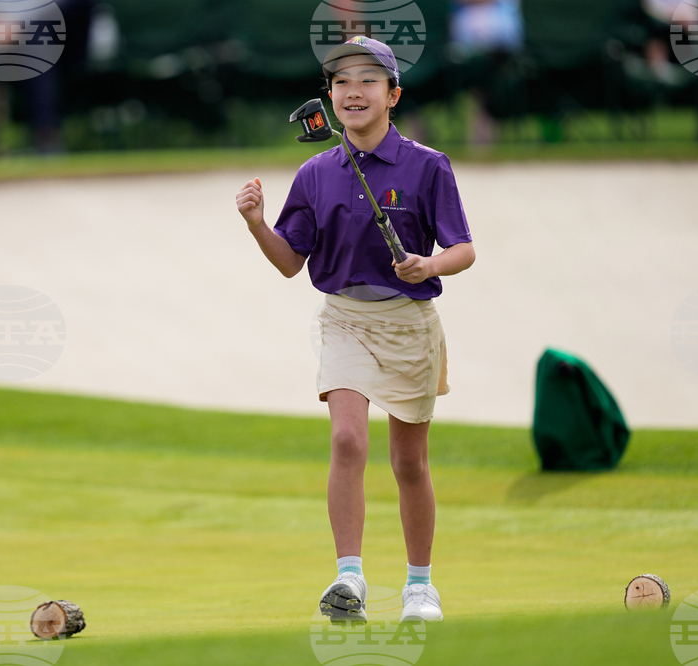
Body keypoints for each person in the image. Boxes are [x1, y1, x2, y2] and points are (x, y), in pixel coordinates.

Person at [235, 36, 475, 623]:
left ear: (393, 94)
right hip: (344, 317)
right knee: (346, 440)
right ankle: (349, 578)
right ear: (330, 96)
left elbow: (463, 249)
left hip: (409, 324)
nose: (353, 91)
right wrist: (255, 224)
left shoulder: (427, 166)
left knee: (408, 463)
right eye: (341, 82)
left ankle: (420, 587)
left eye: (368, 81)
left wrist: (430, 264)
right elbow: (292, 261)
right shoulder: (317, 172)